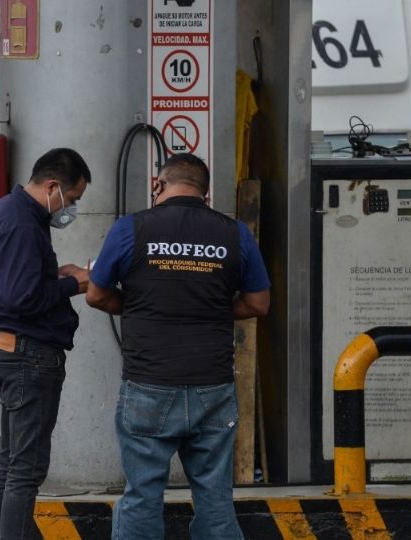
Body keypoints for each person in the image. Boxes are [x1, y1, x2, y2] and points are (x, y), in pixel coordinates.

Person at [85, 153, 270, 539]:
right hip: (213, 386)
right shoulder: (234, 233)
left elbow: (96, 296)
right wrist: (214, 309)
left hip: (148, 384)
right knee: (216, 500)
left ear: (158, 185)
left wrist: (138, 306)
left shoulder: (129, 229)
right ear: (206, 194)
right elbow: (258, 303)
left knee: (142, 495)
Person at [0, 148, 91, 539]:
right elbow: (20, 298)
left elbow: (9, 284)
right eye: (72, 199)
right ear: (53, 186)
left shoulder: (3, 211)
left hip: (11, 348)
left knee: (11, 463)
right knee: (26, 469)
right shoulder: (23, 223)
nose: (70, 208)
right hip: (30, 355)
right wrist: (74, 284)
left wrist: (54, 274)